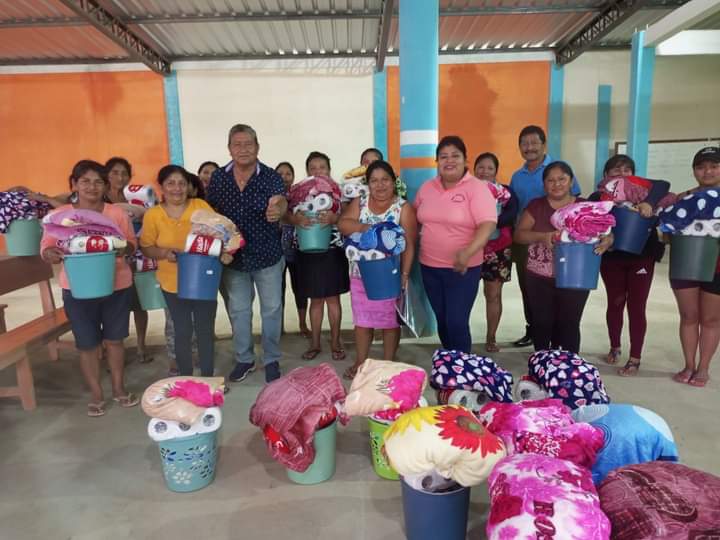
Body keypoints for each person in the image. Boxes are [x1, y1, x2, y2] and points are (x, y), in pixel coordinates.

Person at [40, 160, 139, 417]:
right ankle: (96, 393)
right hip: (78, 288)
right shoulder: (61, 216)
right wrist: (50, 253)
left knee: (115, 340)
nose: (92, 187)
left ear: (105, 185)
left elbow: (132, 244)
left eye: (98, 182)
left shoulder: (116, 213)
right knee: (87, 344)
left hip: (117, 285)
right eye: (85, 181)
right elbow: (47, 246)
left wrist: (120, 246)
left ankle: (119, 388)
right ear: (74, 184)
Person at [206, 124, 287, 384]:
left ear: (257, 147)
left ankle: (271, 359)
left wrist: (279, 209)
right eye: (237, 144)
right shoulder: (219, 178)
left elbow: (281, 201)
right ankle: (245, 359)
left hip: (267, 255)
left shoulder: (270, 176)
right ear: (229, 149)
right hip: (234, 259)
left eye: (248, 144)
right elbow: (211, 212)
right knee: (239, 311)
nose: (243, 149)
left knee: (271, 309)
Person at [514, 161, 612, 354]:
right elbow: (519, 235)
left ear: (571, 181)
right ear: (544, 185)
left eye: (562, 179)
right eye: (550, 180)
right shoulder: (536, 206)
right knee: (541, 323)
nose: (556, 184)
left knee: (569, 324)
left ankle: (568, 366)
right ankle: (542, 363)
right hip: (539, 277)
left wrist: (608, 240)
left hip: (576, 276)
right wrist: (542, 237)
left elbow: (606, 232)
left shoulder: (585, 206)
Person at [414, 136, 498, 353]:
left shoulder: (477, 188)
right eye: (443, 156)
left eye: (455, 156)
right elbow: (416, 218)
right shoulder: (427, 188)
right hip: (429, 266)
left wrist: (467, 252)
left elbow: (488, 224)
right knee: (442, 319)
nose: (449, 160)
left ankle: (463, 367)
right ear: (437, 161)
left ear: (465, 159)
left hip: (463, 268)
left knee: (456, 321)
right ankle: (450, 361)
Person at [338, 160, 417, 379]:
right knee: (362, 321)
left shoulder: (403, 208)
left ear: (393, 182)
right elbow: (343, 224)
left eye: (385, 180)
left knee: (389, 322)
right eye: (374, 181)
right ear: (368, 184)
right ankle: (361, 362)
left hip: (390, 277)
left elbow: (410, 245)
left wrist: (405, 275)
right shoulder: (361, 202)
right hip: (360, 275)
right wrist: (368, 228)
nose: (380, 185)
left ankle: (388, 363)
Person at [592, 155, 670, 376]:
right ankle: (615, 346)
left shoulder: (644, 192)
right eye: (616, 170)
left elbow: (663, 184)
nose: (622, 174)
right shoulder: (599, 196)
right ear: (606, 175)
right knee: (615, 302)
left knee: (637, 306)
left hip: (642, 257)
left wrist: (649, 203)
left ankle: (635, 357)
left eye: (627, 170)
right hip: (612, 258)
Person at [139, 165, 217, 377]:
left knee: (204, 330)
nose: (177, 188)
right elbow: (146, 247)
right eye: (171, 183)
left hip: (203, 280)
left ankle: (208, 378)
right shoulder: (154, 215)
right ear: (161, 187)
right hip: (172, 282)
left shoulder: (200, 206)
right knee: (182, 331)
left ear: (189, 186)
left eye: (182, 183)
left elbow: (219, 233)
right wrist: (164, 253)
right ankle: (186, 378)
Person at [509, 126, 581, 347]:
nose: (529, 147)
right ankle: (534, 331)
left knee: (567, 313)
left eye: (534, 142)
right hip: (531, 243)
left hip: (568, 251)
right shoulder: (517, 177)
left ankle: (560, 347)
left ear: (544, 144)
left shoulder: (558, 168)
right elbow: (514, 209)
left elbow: (577, 206)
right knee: (531, 294)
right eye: (524, 143)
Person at [289, 151, 350, 361]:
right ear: (307, 171)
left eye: (322, 167)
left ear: (329, 170)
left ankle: (335, 342)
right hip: (307, 250)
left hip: (332, 250)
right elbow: (287, 215)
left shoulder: (339, 191)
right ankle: (314, 343)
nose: (317, 171)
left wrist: (335, 217)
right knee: (315, 301)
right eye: (312, 168)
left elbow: (349, 216)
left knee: (333, 299)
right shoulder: (298, 193)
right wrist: (297, 218)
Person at [669, 147, 720, 388]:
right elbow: (668, 233)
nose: (707, 171)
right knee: (689, 316)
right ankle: (689, 365)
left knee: (711, 319)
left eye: (714, 166)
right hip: (685, 263)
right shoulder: (683, 200)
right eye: (701, 167)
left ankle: (703, 368)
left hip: (717, 268)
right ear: (694, 171)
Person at [103, 157, 152, 364]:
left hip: (135, 256)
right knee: (112, 307)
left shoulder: (137, 196)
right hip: (109, 259)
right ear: (106, 175)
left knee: (139, 303)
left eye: (124, 173)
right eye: (115, 172)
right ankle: (113, 350)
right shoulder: (99, 197)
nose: (120, 177)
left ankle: (141, 346)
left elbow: (152, 216)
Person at [473, 153, 519, 352]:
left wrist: (487, 222)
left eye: (489, 168)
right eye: (481, 167)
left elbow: (511, 214)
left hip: (498, 250)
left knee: (493, 294)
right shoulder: (466, 191)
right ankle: (460, 335)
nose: (484, 171)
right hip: (470, 249)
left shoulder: (506, 192)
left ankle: (491, 337)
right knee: (464, 295)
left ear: (496, 172)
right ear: (474, 170)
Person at [276, 161, 310, 337]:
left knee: (300, 288)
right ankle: (278, 326)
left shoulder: (300, 196)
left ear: (293, 176)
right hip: (277, 251)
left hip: (297, 248)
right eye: (280, 173)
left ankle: (303, 325)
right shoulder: (270, 197)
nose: (284, 177)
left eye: (288, 173)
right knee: (277, 290)